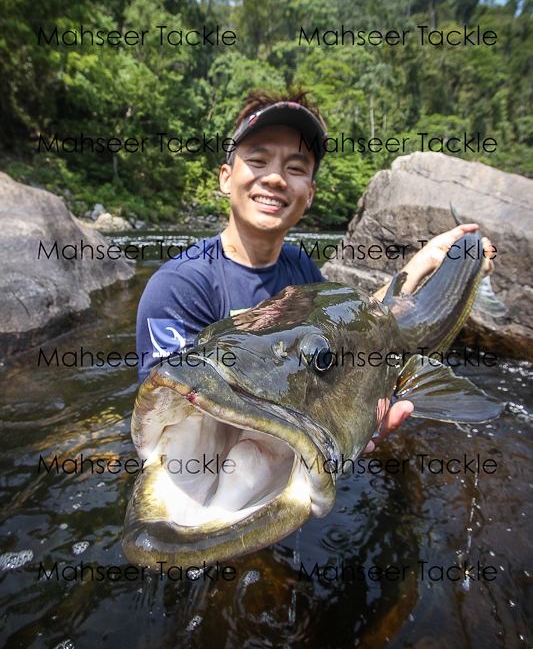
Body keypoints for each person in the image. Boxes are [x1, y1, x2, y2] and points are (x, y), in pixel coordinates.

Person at [136, 89, 492, 452]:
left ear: (309, 194)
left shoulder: (299, 266)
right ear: (225, 177)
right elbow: (173, 428)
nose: (275, 179)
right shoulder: (179, 286)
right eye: (259, 160)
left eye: (295, 168)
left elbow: (351, 331)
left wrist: (422, 263)